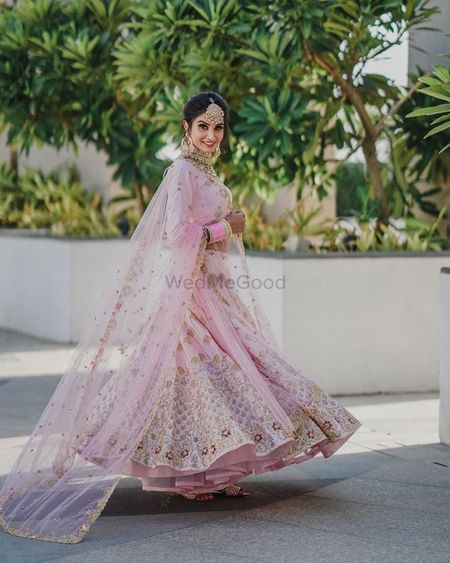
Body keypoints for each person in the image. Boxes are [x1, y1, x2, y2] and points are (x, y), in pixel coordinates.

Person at [0, 91, 362, 543]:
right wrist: (225, 227)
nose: (212, 136)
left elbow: (209, 242)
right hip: (187, 298)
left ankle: (213, 471)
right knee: (197, 380)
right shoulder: (181, 172)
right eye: (204, 127)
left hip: (213, 292)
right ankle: (192, 477)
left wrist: (223, 234)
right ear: (186, 129)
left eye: (219, 128)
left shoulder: (207, 172)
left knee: (235, 377)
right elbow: (175, 235)